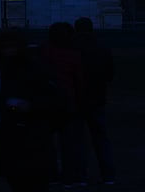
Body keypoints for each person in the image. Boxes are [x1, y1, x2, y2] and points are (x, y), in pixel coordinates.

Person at [0, 30, 56, 192]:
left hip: (32, 132)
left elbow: (51, 99)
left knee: (33, 179)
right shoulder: (1, 71)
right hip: (11, 132)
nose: (8, 51)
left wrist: (32, 106)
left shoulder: (34, 69)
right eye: (5, 47)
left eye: (12, 47)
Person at [42, 22, 86, 187]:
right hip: (68, 103)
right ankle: (71, 176)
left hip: (49, 102)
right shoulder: (73, 56)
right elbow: (79, 82)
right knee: (70, 144)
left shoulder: (45, 53)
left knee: (48, 143)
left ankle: (52, 174)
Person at [75, 17, 116, 185]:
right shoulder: (103, 48)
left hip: (77, 99)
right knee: (101, 139)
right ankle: (108, 176)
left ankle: (81, 176)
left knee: (78, 140)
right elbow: (110, 75)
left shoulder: (72, 48)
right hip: (97, 98)